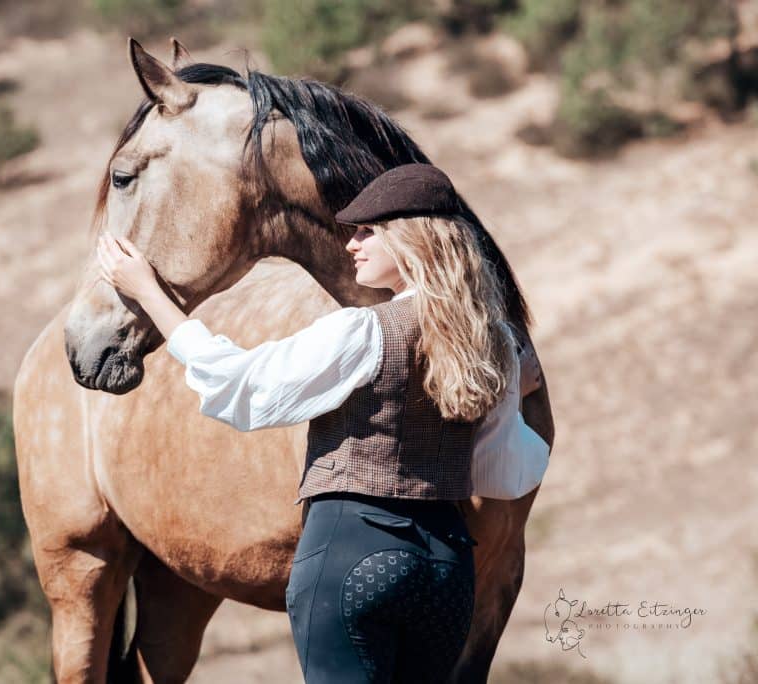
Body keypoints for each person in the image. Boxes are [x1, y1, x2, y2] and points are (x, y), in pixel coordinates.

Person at [95, 163, 550, 683]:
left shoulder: (362, 332)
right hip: (446, 569)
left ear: (412, 242)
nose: (351, 243)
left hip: (353, 554)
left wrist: (149, 295)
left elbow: (242, 384)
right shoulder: (492, 349)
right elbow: (500, 474)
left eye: (367, 232)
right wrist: (511, 394)